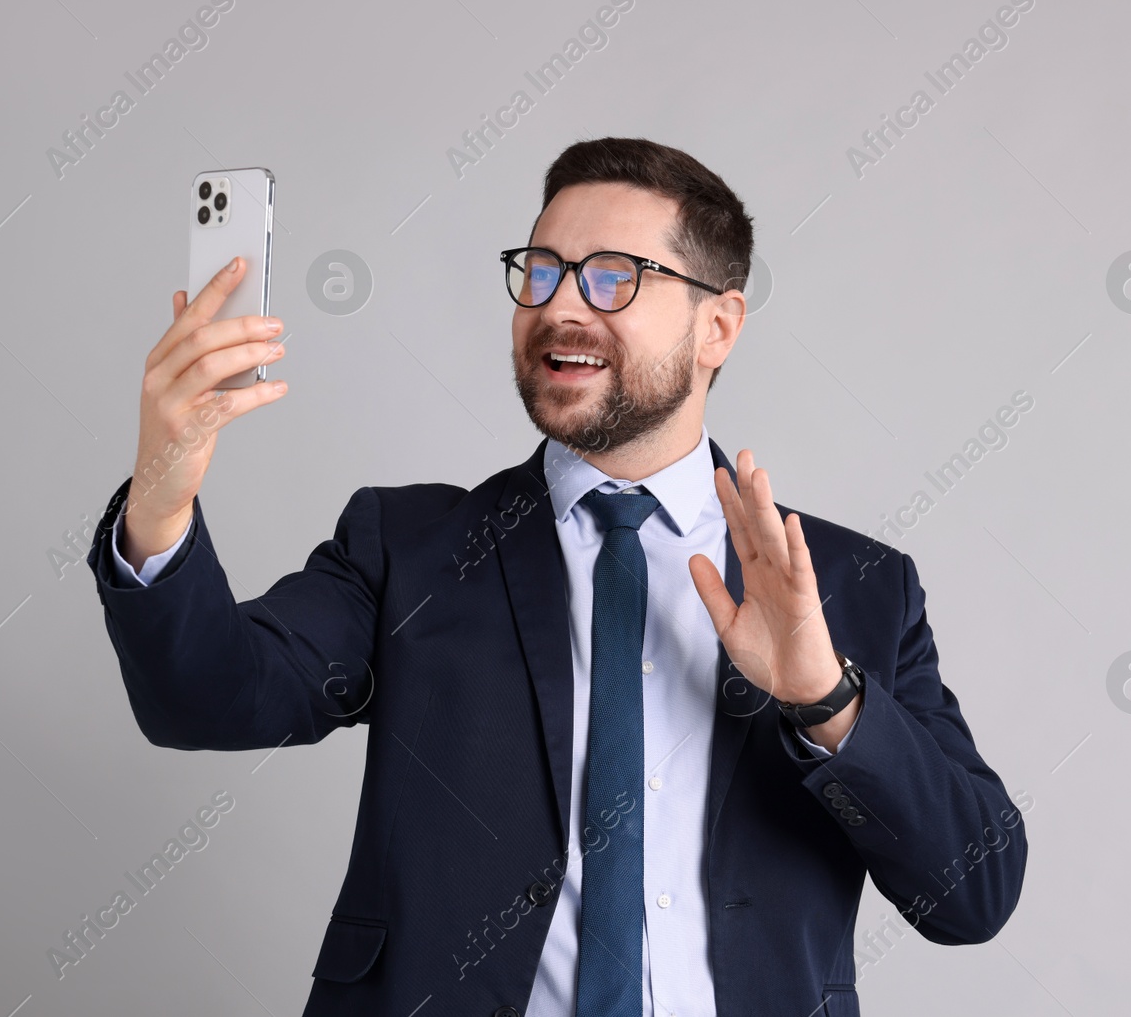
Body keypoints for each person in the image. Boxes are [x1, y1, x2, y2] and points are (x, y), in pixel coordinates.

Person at [85, 137, 1027, 1016]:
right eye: (541, 271)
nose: (561, 306)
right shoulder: (409, 546)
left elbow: (970, 891)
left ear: (718, 325)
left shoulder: (856, 585)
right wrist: (162, 491)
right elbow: (205, 700)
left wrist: (826, 700)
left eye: (616, 276)